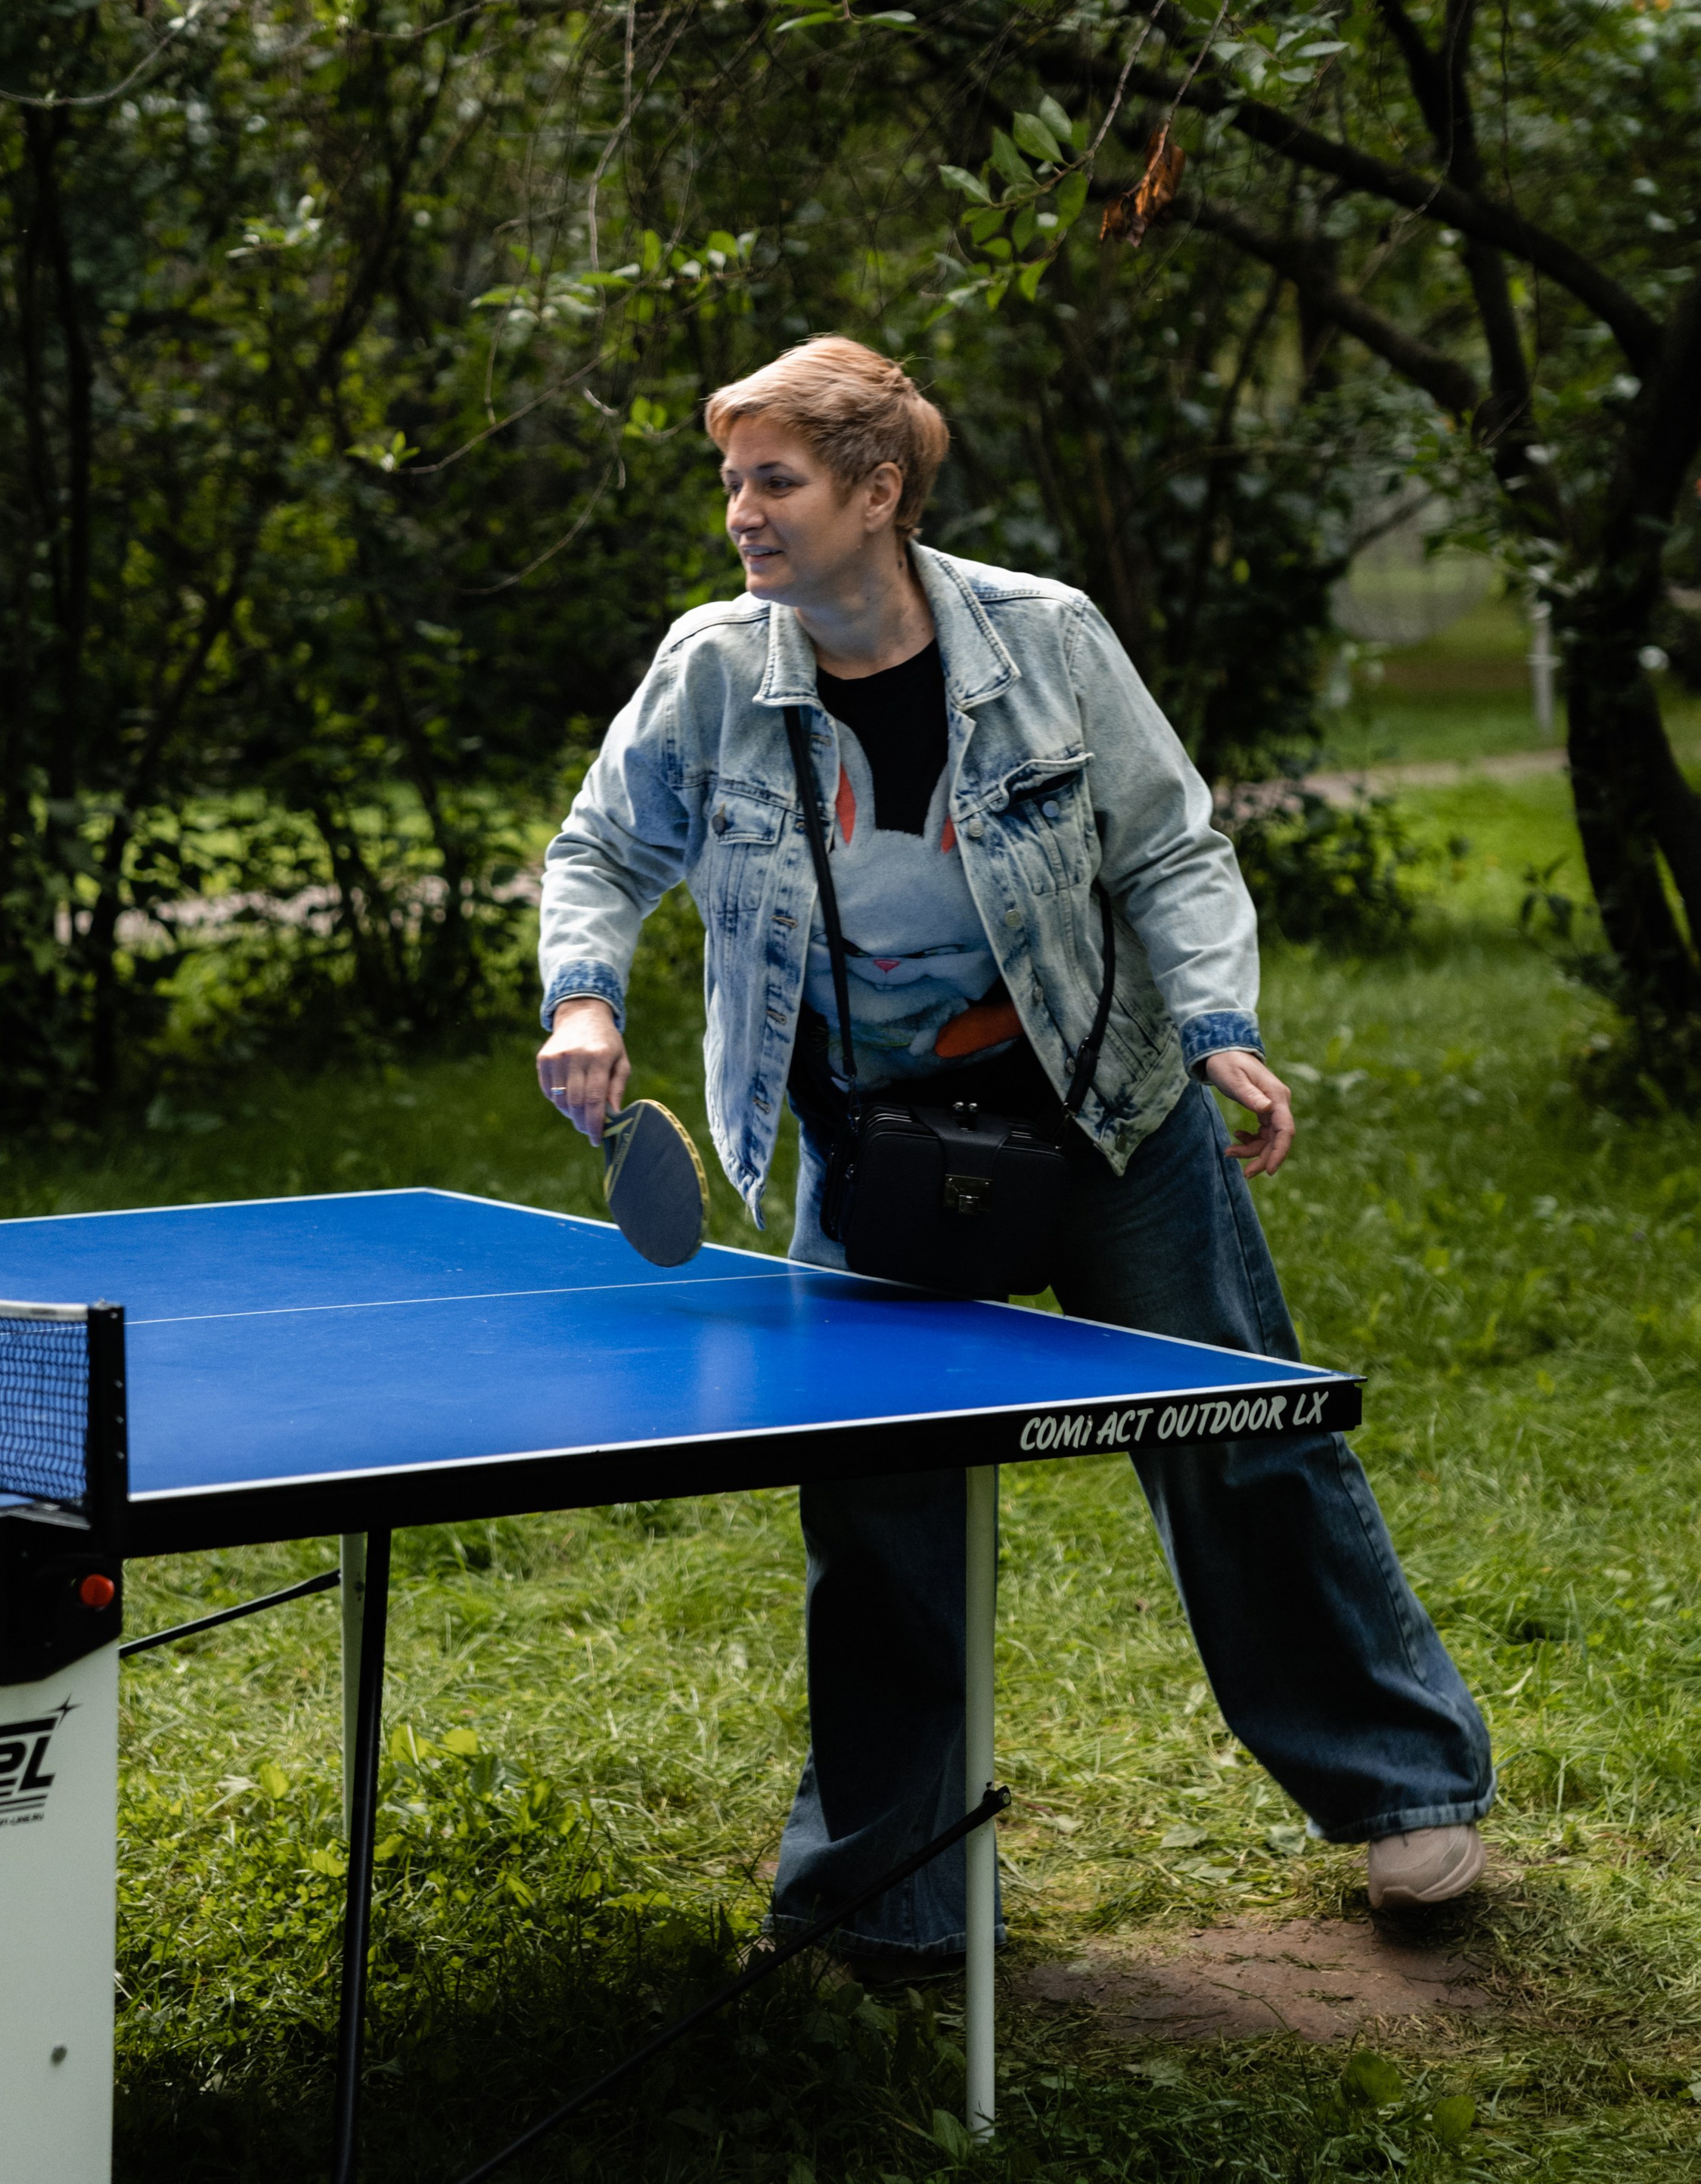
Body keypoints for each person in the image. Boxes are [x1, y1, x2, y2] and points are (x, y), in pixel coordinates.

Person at [535, 336, 1492, 1978]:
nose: (740, 517)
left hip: (1102, 1113)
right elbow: (604, 847)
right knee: (878, 1509)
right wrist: (581, 996)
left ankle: (1400, 1792)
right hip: (873, 1147)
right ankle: (883, 1884)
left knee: (1243, 1441)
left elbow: (1171, 845)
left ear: (876, 492)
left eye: (773, 481)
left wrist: (1217, 1027)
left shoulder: (1042, 639)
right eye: (730, 481)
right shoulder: (710, 668)